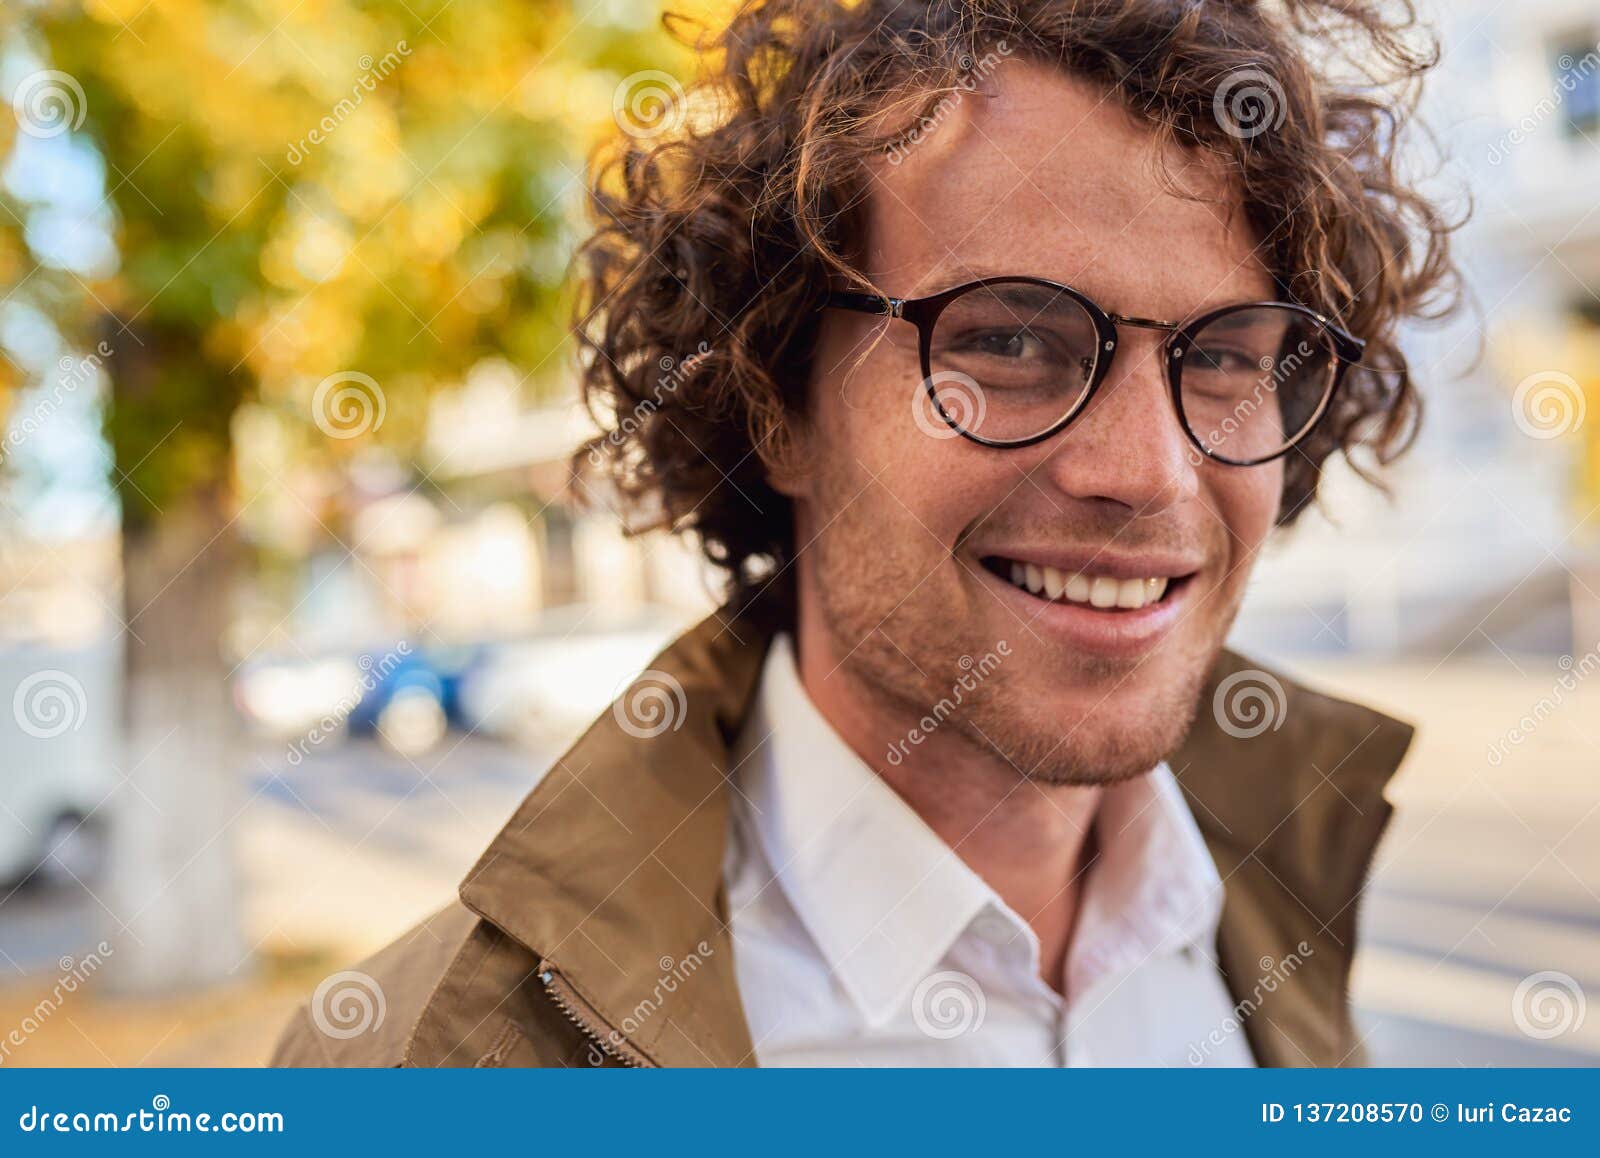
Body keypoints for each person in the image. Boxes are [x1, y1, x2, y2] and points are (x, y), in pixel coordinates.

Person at [272, 0, 1459, 1068]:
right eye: (1006, 340)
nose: (1147, 472)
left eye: (1225, 358)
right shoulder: (431, 1061)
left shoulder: (1276, 904)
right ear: (775, 404)